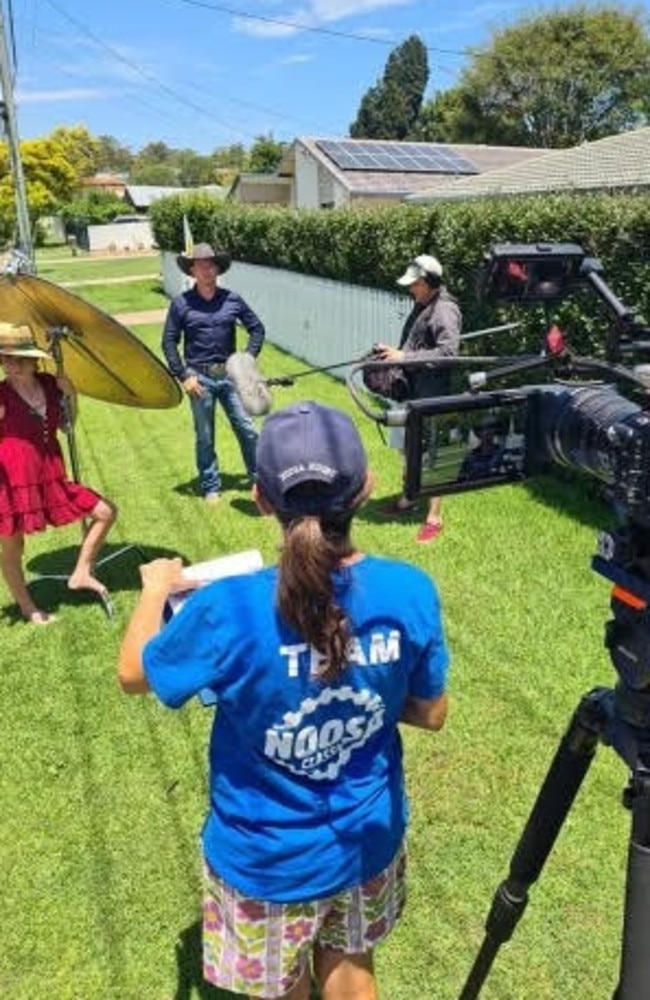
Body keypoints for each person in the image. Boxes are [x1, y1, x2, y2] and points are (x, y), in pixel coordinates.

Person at [118, 400, 450, 1000]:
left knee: (285, 986)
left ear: (262, 498)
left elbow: (135, 673)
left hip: (266, 858)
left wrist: (155, 591)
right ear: (366, 488)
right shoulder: (409, 590)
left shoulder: (229, 609)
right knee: (352, 966)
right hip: (365, 839)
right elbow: (431, 712)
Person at [0, 322, 117, 624]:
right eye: (5, 358)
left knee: (105, 512)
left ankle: (81, 571)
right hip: (13, 479)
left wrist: (72, 394)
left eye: (17, 358)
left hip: (51, 472)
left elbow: (67, 426)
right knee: (14, 544)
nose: (10, 364)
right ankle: (28, 608)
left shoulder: (52, 384)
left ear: (33, 358)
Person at [162, 242, 266, 504]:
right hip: (200, 378)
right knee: (205, 435)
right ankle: (210, 486)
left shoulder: (232, 300)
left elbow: (257, 329)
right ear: (192, 271)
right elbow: (169, 342)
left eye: (212, 266)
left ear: (218, 270)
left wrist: (246, 360)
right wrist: (184, 375)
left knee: (247, 429)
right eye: (201, 266)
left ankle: (260, 482)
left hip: (231, 376)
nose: (207, 271)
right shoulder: (181, 304)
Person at [375, 254, 461, 543]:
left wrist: (405, 357)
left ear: (428, 282)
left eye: (415, 284)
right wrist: (394, 353)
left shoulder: (445, 310)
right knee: (409, 449)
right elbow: (417, 344)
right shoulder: (423, 305)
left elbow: (449, 354)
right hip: (414, 392)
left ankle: (434, 517)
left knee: (433, 455)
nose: (410, 289)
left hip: (433, 395)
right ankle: (410, 498)